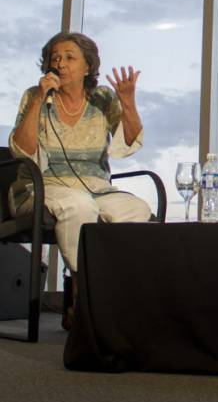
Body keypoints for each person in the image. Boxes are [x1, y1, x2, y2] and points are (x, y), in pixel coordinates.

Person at [9, 32, 152, 327]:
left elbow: (129, 142)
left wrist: (127, 102)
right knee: (78, 205)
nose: (60, 63)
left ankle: (111, 289)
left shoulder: (102, 99)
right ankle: (83, 290)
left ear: (88, 66)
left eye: (69, 57)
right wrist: (39, 99)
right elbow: (21, 149)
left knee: (138, 209)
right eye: (55, 57)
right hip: (42, 187)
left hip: (96, 187)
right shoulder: (34, 96)